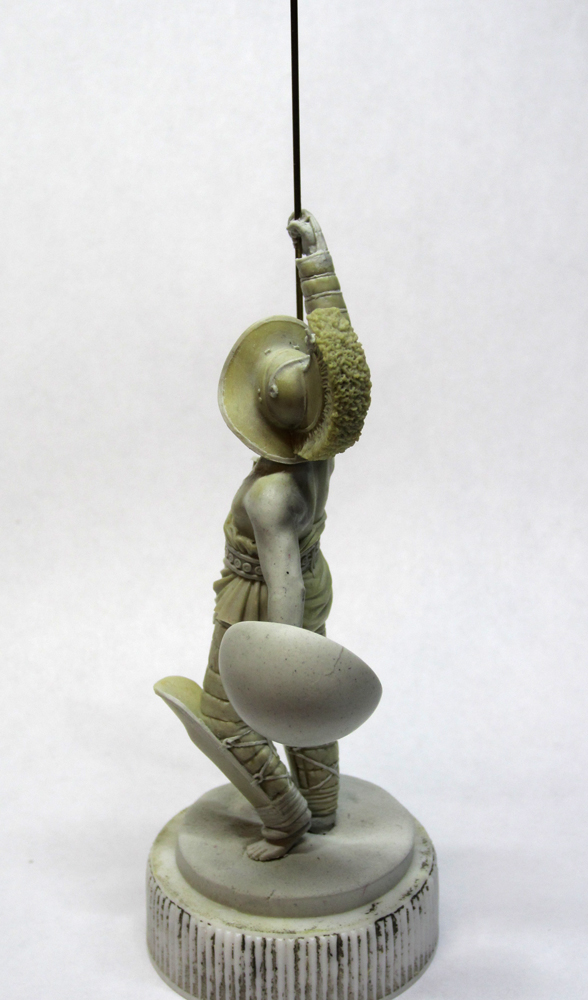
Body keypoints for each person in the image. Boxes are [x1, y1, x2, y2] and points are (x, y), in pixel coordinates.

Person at [199, 211, 371, 860]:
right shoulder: (321, 451)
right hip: (312, 570)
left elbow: (284, 591)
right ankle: (323, 806)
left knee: (228, 718)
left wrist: (279, 669)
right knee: (311, 693)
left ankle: (286, 817)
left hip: (261, 596)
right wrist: (317, 269)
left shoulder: (271, 495)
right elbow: (342, 372)